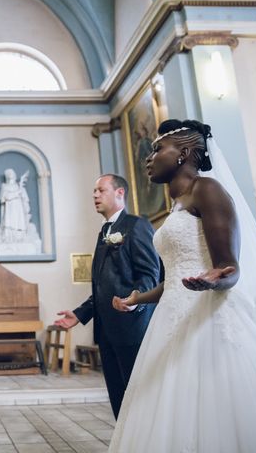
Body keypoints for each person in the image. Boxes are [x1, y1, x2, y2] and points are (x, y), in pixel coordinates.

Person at [109, 119, 256, 452]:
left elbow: (228, 269)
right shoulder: (177, 205)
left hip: (209, 320)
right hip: (174, 320)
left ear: (184, 153)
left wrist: (215, 280)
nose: (150, 157)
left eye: (158, 149)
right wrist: (140, 297)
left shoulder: (208, 190)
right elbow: (177, 276)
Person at [55, 174, 161, 418]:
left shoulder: (137, 225)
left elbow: (149, 274)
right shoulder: (105, 231)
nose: (94, 195)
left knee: (139, 397)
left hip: (132, 327)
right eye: (94, 191)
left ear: (120, 193)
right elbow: (103, 286)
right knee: (119, 397)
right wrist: (80, 315)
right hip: (107, 331)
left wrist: (135, 302)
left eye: (100, 190)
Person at [0, 168, 30, 242]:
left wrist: (22, 191)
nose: (11, 175)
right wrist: (17, 193)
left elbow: (25, 198)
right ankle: (9, 238)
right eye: (9, 173)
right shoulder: (4, 186)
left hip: (18, 207)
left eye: (12, 173)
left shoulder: (18, 186)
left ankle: (20, 238)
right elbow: (4, 198)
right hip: (10, 208)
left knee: (19, 222)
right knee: (10, 222)